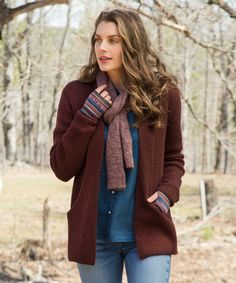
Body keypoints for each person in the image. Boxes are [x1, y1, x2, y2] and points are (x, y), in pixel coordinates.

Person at [50, 8, 184, 283]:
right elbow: (62, 167)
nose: (102, 47)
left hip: (147, 228)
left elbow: (174, 158)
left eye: (114, 40)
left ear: (132, 44)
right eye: (98, 40)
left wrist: (166, 195)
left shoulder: (162, 94)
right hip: (95, 235)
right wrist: (86, 116)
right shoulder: (77, 94)